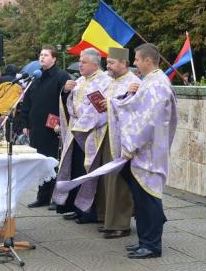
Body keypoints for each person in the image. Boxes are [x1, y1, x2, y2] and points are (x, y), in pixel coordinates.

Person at [110, 43, 177, 259]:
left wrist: (131, 145)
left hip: (148, 151)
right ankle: (144, 240)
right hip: (144, 149)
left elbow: (149, 119)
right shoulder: (150, 81)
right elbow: (137, 108)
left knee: (148, 197)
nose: (135, 64)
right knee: (140, 196)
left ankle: (152, 244)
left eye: (137, 59)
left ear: (148, 60)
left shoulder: (157, 84)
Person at [52, 47, 111, 223]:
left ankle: (90, 211)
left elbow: (101, 109)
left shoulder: (105, 81)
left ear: (94, 63)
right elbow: (70, 105)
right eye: (80, 61)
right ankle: (77, 207)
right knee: (76, 169)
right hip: (75, 132)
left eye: (83, 62)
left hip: (93, 133)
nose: (80, 65)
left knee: (89, 171)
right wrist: (65, 92)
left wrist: (83, 125)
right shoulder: (79, 81)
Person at [97, 47, 141, 238]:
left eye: (112, 63)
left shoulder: (134, 82)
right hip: (108, 133)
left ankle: (120, 224)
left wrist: (108, 103)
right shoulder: (112, 82)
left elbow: (131, 108)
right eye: (107, 63)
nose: (108, 66)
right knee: (107, 178)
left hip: (124, 139)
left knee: (119, 181)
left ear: (124, 63)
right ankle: (108, 219)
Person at [21, 45, 71, 208]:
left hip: (52, 127)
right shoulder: (36, 76)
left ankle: (56, 197)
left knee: (52, 162)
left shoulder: (61, 76)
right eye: (41, 55)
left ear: (54, 58)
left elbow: (66, 99)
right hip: (36, 126)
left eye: (46, 55)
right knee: (41, 163)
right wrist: (24, 123)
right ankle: (42, 196)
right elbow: (27, 101)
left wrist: (60, 122)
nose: (42, 57)